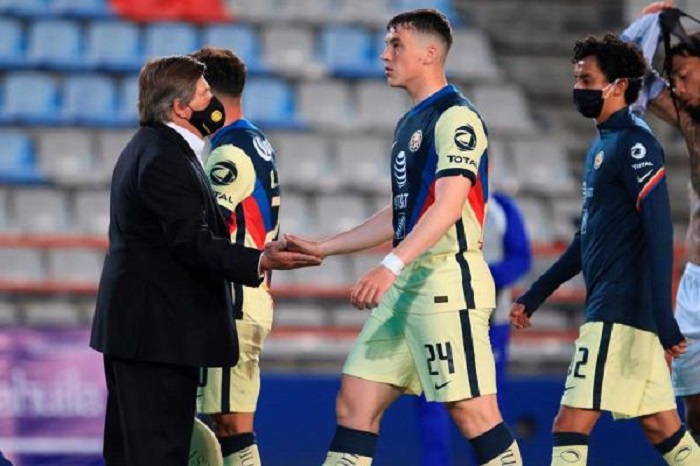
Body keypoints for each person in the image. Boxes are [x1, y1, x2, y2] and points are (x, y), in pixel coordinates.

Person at [287, 9, 522, 466]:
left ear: (430, 53)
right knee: (355, 403)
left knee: (473, 413)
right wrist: (326, 247)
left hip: (446, 282)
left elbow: (447, 206)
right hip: (408, 286)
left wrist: (389, 265)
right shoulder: (410, 122)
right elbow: (402, 213)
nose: (385, 54)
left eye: (396, 44)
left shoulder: (457, 117)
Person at [89, 55, 321, 466]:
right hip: (156, 337)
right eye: (204, 93)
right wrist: (260, 260)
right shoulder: (165, 158)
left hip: (145, 332)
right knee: (159, 452)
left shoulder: (155, 148)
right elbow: (192, 243)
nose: (213, 101)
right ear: (181, 108)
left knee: (134, 452)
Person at [510, 33, 699, 466]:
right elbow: (587, 237)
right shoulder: (602, 145)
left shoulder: (635, 144)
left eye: (587, 79)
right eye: (577, 78)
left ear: (618, 86)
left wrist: (664, 318)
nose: (578, 88)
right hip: (623, 312)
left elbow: (658, 233)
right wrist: (536, 294)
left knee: (569, 424)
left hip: (619, 311)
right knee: (663, 428)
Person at [188, 46, 279, 466]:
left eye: (194, 93)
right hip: (247, 298)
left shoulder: (229, 153)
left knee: (229, 426)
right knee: (227, 424)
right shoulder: (255, 141)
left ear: (209, 96)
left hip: (234, 302)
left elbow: (207, 230)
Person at [415, 189, 532, 466]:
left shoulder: (502, 208)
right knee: (432, 397)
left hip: (489, 321)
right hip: (437, 316)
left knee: (488, 400)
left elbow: (521, 258)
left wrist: (479, 275)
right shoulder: (433, 200)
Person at [631, 0, 700, 446]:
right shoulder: (691, 121)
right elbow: (629, 78)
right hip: (695, 283)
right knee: (693, 407)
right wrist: (647, 25)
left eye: (685, 75)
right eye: (673, 76)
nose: (677, 85)